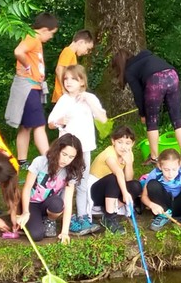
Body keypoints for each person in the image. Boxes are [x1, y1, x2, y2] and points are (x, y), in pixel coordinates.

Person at [48, 65, 107, 235]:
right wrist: (60, 120)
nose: (68, 82)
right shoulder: (64, 100)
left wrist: (88, 101)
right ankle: (55, 216)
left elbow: (102, 118)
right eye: (65, 79)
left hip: (85, 148)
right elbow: (51, 123)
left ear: (82, 81)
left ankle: (82, 216)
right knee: (61, 182)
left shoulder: (90, 98)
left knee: (82, 182)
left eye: (73, 79)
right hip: (65, 150)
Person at [112, 49, 181, 166]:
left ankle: (154, 157)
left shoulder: (129, 70)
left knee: (152, 121)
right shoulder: (146, 56)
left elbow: (138, 94)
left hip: (156, 80)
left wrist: (143, 114)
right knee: (177, 119)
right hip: (172, 75)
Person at [5, 12, 59, 168]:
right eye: (51, 33)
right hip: (29, 87)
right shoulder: (33, 38)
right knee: (39, 125)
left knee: (26, 126)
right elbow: (18, 51)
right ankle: (50, 160)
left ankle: (22, 161)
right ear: (44, 30)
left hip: (32, 86)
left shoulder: (33, 38)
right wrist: (27, 65)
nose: (51, 37)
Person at [17, 134, 85, 243]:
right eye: (64, 154)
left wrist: (65, 232)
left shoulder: (71, 171)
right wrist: (25, 212)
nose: (66, 160)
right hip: (32, 203)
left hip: (49, 203)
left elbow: (68, 202)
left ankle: (49, 220)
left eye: (71, 157)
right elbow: (27, 188)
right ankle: (35, 220)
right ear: (57, 150)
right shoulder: (40, 162)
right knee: (36, 235)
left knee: (58, 203)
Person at [89, 125, 143, 228]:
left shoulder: (128, 154)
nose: (124, 147)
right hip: (95, 191)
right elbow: (118, 172)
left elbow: (128, 179)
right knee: (113, 178)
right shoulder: (109, 153)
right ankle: (109, 217)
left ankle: (111, 208)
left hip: (111, 192)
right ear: (113, 141)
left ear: (132, 144)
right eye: (120, 142)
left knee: (136, 185)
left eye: (128, 143)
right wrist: (125, 193)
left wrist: (129, 163)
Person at [51, 29, 95, 103]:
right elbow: (59, 69)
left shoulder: (72, 55)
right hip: (63, 95)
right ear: (81, 42)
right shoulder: (68, 51)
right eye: (87, 49)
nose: (87, 52)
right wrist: (64, 89)